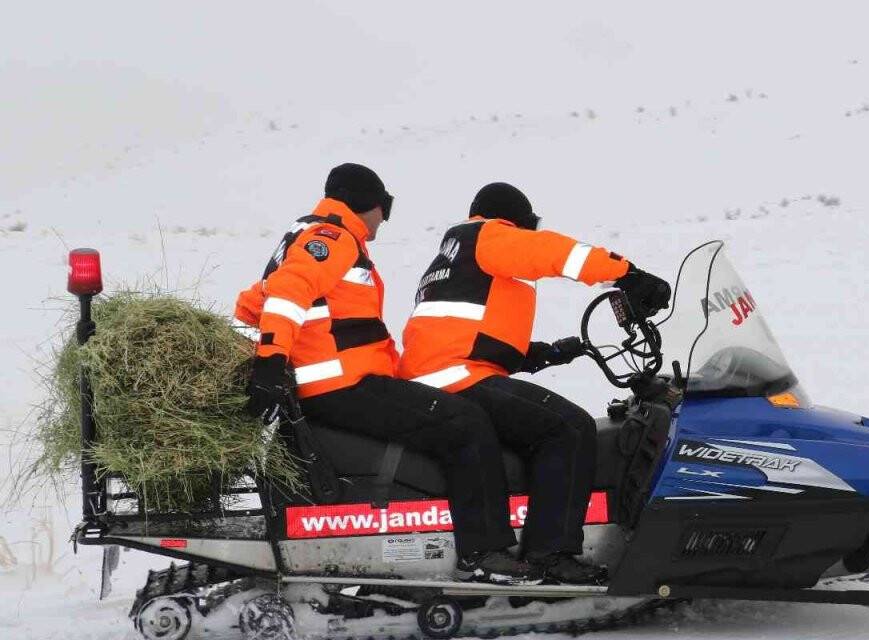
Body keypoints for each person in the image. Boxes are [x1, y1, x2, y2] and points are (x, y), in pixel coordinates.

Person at [235, 164, 539, 585]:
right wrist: (271, 360)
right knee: (465, 422)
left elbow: (252, 303)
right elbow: (288, 293)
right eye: (386, 207)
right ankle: (484, 551)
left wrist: (289, 351)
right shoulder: (332, 237)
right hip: (341, 384)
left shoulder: (302, 235)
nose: (384, 219)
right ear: (367, 203)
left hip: (336, 379)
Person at [398, 182, 670, 584]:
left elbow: (463, 329)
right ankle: (551, 554)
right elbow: (556, 253)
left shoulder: (453, 255)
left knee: (541, 421)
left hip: (439, 371)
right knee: (568, 427)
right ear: (517, 220)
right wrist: (628, 275)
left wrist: (539, 353)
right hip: (454, 375)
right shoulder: (489, 234)